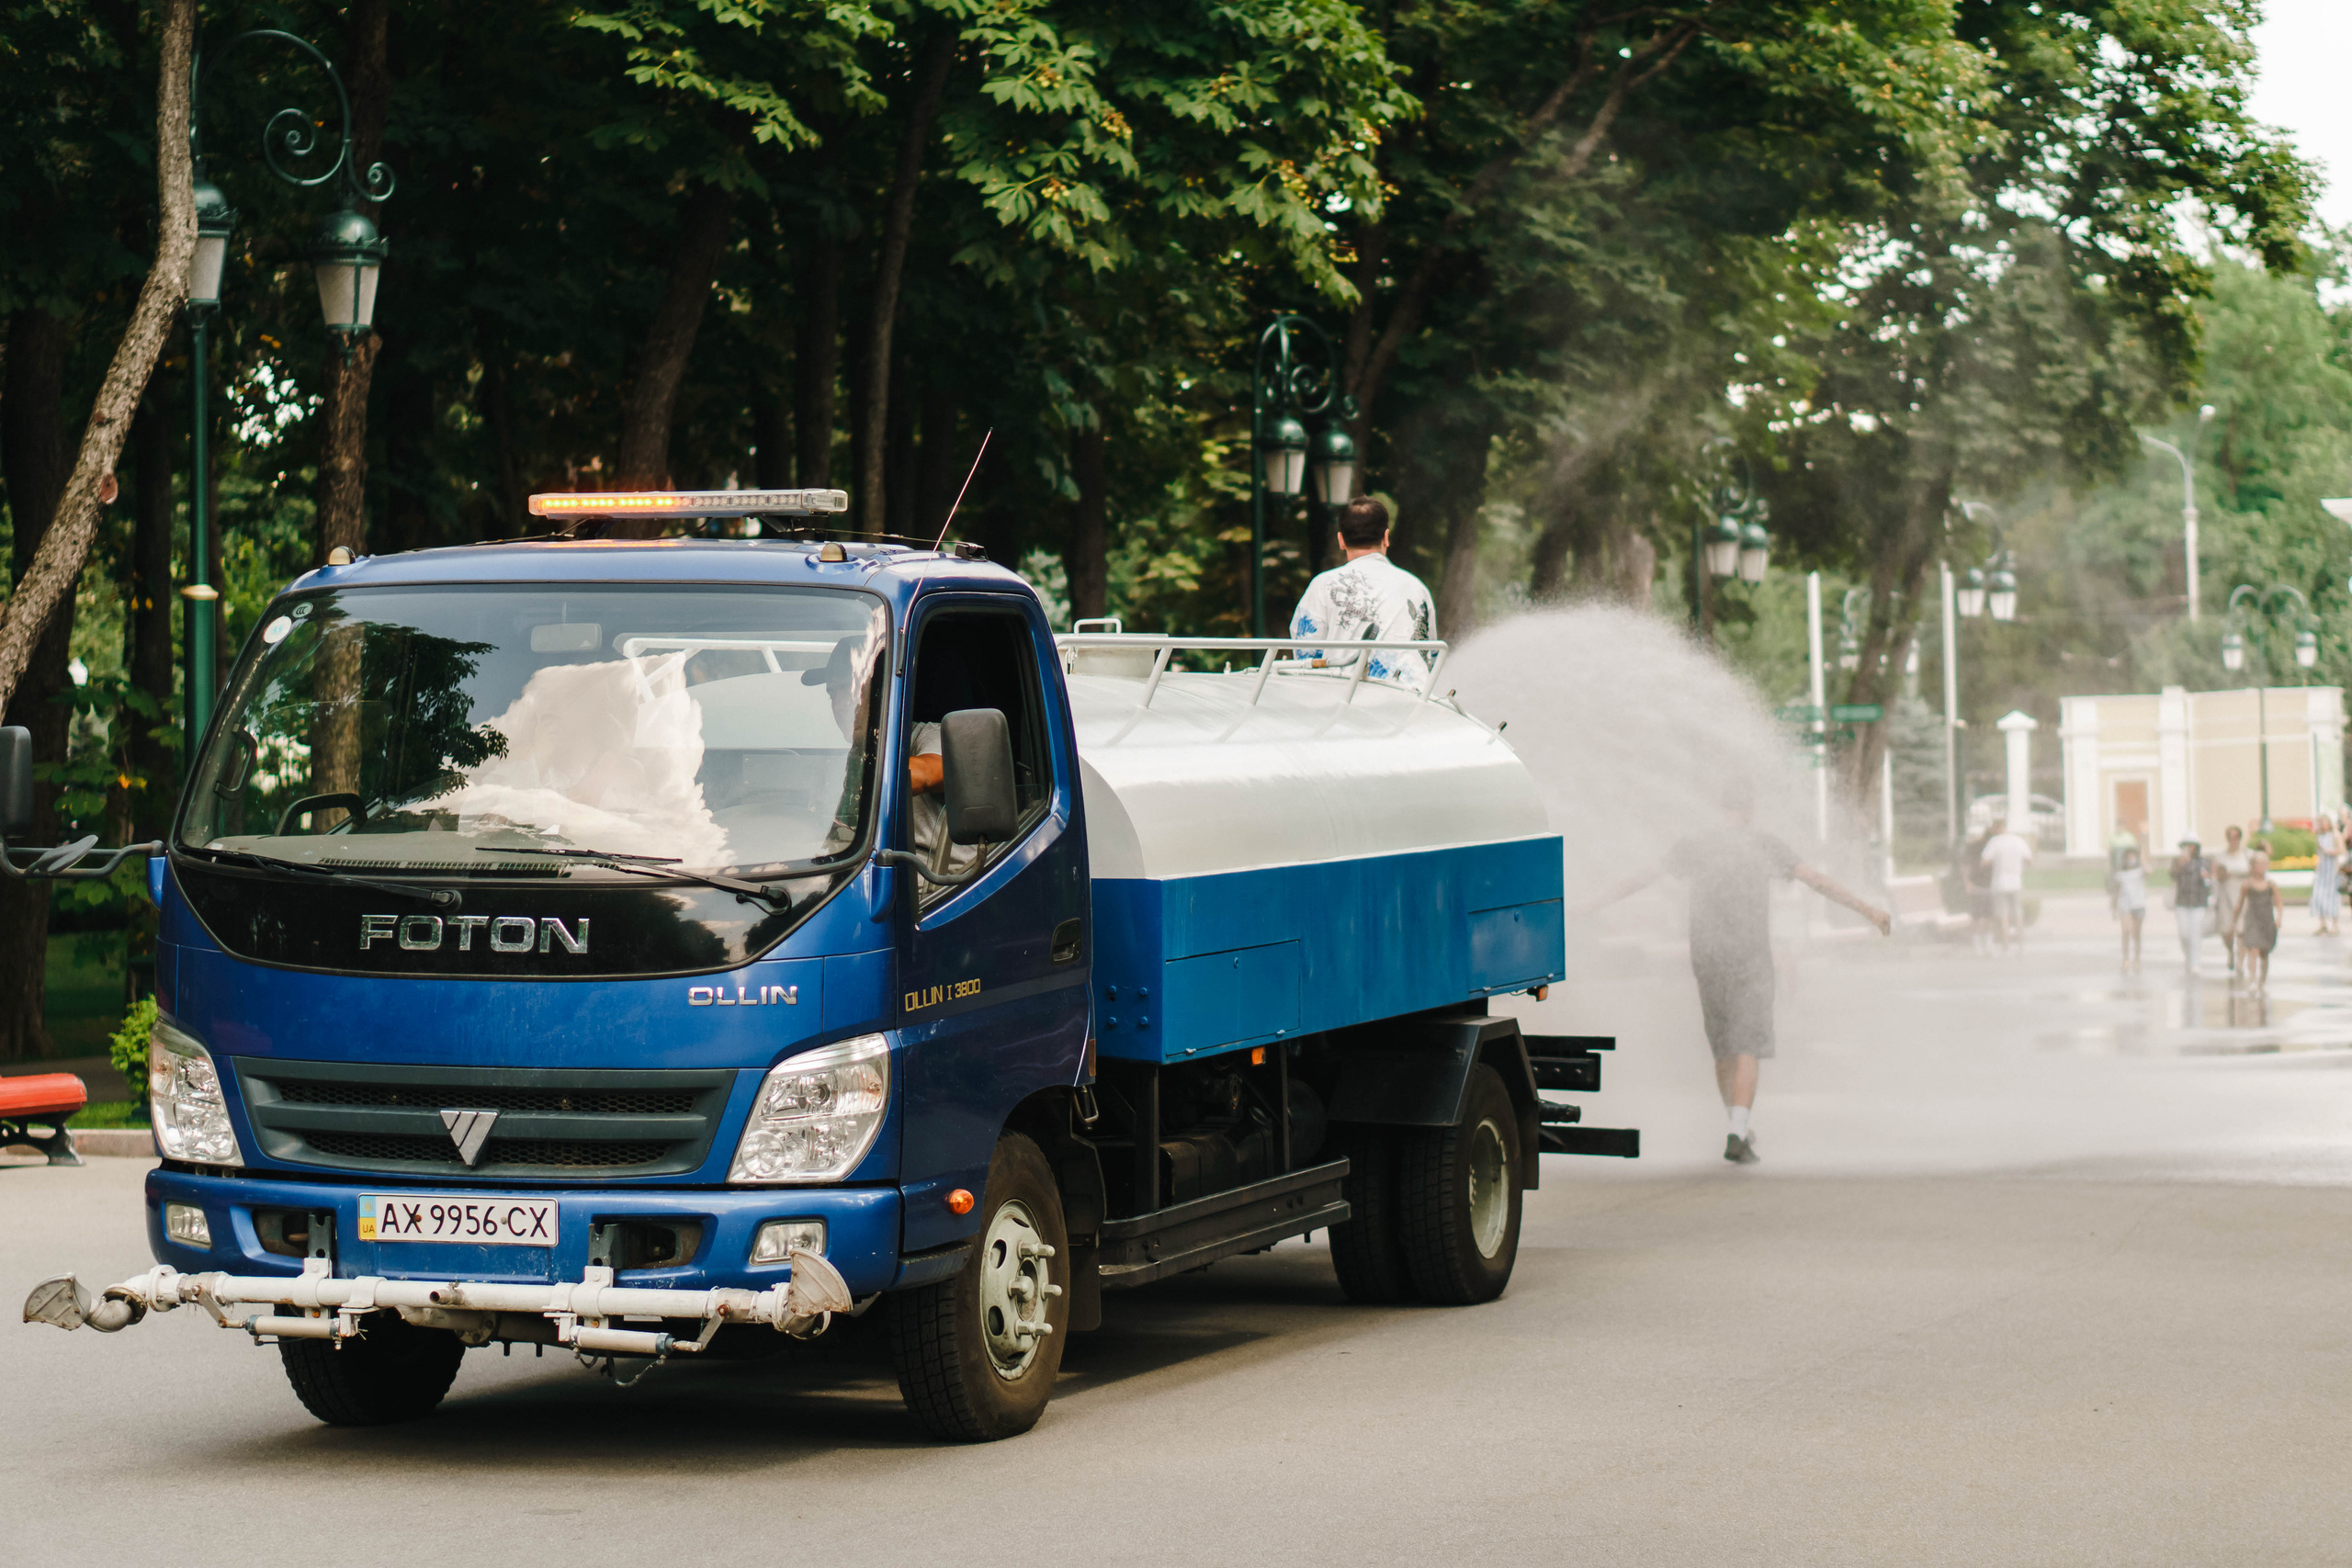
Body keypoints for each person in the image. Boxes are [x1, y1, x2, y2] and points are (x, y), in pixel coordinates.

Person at [1580, 782, 1891, 1166]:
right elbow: (1818, 882)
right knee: (1748, 1044)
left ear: (1721, 806)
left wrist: (1591, 905)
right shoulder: (1765, 844)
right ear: (1751, 809)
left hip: (1707, 955)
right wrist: (1869, 911)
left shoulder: (1696, 845)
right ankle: (1738, 1132)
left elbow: (1643, 877)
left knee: (1724, 1046)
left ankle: (1736, 1124)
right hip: (1749, 955)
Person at [1289, 495, 1437, 688]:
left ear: (1341, 540)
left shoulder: (1323, 585)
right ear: (1386, 537)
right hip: (1410, 697)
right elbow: (1430, 653)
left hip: (1345, 699)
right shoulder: (1416, 587)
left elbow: (1305, 653)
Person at [1979, 818, 2034, 953]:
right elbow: (2029, 860)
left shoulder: (1995, 842)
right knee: (2018, 914)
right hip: (2016, 882)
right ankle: (2021, 945)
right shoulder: (2018, 841)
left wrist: (1996, 862)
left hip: (2000, 883)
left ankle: (2006, 945)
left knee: (2003, 916)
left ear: (1998, 827)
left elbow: (1984, 862)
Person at [2235, 851, 2282, 991]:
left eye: (2263, 864)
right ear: (2252, 866)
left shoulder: (2270, 885)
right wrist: (2235, 922)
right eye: (2257, 864)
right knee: (2253, 950)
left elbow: (2279, 903)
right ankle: (2253, 980)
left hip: (2266, 921)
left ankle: (2262, 979)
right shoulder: (2247, 884)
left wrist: (2279, 918)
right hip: (2252, 920)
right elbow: (2240, 904)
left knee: (2264, 952)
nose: (2260, 867)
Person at [2211, 826, 2251, 974]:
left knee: (2242, 930)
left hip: (2242, 895)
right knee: (2226, 930)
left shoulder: (2247, 855)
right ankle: (2230, 951)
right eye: (2230, 838)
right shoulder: (2221, 856)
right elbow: (2215, 875)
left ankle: (2240, 961)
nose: (2233, 841)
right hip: (2225, 895)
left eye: (2236, 837)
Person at [2170, 837, 2212, 974]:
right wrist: (2180, 864)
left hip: (2198, 901)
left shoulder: (2204, 861)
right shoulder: (2178, 861)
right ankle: (2188, 956)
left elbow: (2209, 881)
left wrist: (2207, 878)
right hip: (2182, 901)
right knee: (2184, 933)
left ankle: (2195, 962)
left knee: (2195, 933)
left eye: (2192, 846)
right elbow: (2172, 876)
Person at [2110, 843, 2146, 973]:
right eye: (2129, 857)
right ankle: (2125, 958)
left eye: (2133, 857)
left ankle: (2137, 958)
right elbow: (2116, 891)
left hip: (2138, 905)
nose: (2131, 859)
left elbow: (2149, 870)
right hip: (2125, 905)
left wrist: (2144, 843)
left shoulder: (2140, 871)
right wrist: (2113, 908)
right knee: (2126, 931)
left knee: (2137, 934)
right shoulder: (2120, 873)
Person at [2312, 817, 2342, 936]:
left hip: (2332, 870)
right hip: (2321, 870)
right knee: (2318, 895)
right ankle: (2322, 923)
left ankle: (2335, 924)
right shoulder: (2318, 837)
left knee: (2332, 896)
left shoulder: (2334, 835)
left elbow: (2341, 850)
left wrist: (2327, 851)